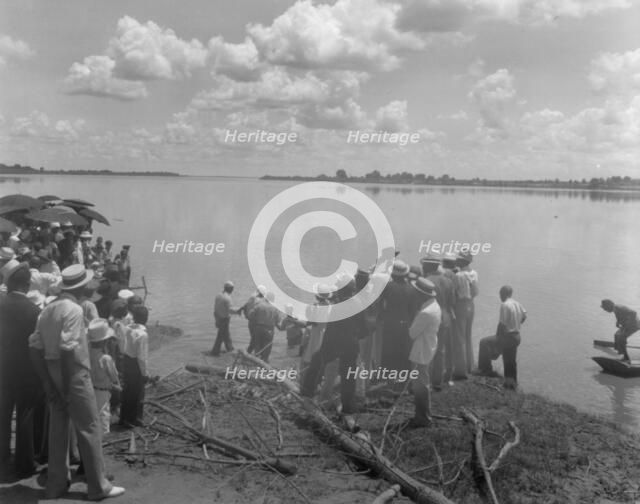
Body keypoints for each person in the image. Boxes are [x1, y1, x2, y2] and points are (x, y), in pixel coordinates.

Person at [28, 264, 124, 500]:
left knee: (58, 429)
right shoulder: (74, 310)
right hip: (73, 372)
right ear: (80, 287)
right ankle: (98, 487)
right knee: (88, 427)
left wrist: (48, 383)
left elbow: (34, 347)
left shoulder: (47, 310)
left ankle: (57, 483)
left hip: (51, 369)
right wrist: (68, 386)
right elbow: (68, 348)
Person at [0, 263, 43, 478]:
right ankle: (24, 464)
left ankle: (2, 456)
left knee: (3, 412)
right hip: (27, 370)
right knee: (25, 414)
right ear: (27, 285)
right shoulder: (35, 311)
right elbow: (38, 344)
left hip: (3, 367)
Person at [301, 276, 366, 414]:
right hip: (351, 344)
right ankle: (348, 407)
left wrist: (325, 347)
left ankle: (307, 393)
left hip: (335, 343)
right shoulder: (359, 303)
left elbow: (331, 328)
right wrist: (354, 337)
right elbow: (364, 328)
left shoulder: (338, 305)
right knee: (348, 376)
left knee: (316, 361)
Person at [476, 286, 527, 389]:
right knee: (510, 360)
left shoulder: (505, 305)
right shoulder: (517, 303)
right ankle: (512, 382)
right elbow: (524, 316)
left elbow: (502, 325)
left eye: (500, 294)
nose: (500, 296)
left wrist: (498, 338)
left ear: (503, 294)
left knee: (484, 342)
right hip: (517, 336)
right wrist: (517, 324)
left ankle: (485, 370)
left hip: (508, 336)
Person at [407, 277, 440, 428]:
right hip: (428, 347)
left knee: (420, 386)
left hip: (421, 350)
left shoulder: (425, 312)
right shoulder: (435, 306)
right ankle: (422, 415)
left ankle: (423, 417)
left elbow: (412, 333)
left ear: (423, 295)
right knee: (422, 383)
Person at [421, 254, 456, 390]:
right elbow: (452, 302)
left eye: (424, 265)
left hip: (430, 317)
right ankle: (437, 381)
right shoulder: (448, 281)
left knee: (427, 348)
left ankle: (426, 380)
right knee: (440, 350)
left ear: (428, 266)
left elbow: (421, 302)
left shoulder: (426, 281)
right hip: (445, 318)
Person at [379, 259, 414, 373]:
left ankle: (389, 378)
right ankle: (404, 377)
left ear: (393, 274)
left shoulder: (388, 287)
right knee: (404, 351)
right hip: (406, 322)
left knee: (389, 351)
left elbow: (380, 304)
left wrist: (382, 316)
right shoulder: (411, 288)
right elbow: (412, 309)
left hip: (390, 323)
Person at [88, 319, 121, 435]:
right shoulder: (106, 359)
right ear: (104, 341)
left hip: (90, 389)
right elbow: (114, 377)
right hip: (102, 392)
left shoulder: (87, 353)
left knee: (93, 417)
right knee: (103, 418)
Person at [119, 305, 149, 427]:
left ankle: (124, 417)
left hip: (127, 361)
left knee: (127, 390)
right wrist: (145, 374)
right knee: (138, 392)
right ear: (146, 318)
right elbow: (142, 358)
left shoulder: (127, 328)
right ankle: (136, 419)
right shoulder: (142, 335)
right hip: (136, 365)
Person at [452, 252, 478, 380]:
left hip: (461, 305)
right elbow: (476, 292)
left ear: (462, 261)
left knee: (460, 336)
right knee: (468, 335)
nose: (456, 260)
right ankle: (470, 366)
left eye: (459, 259)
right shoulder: (474, 273)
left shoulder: (458, 275)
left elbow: (454, 292)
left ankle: (460, 370)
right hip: (471, 304)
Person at [248, 292, 283, 363]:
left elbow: (250, 315)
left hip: (258, 328)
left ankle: (256, 363)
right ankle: (265, 363)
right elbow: (278, 320)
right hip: (269, 330)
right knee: (267, 348)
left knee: (257, 347)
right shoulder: (275, 308)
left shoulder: (259, 305)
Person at [212, 281, 239, 356]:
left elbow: (215, 308)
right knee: (221, 336)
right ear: (231, 289)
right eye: (232, 289)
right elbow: (230, 310)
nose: (233, 290)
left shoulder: (218, 295)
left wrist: (216, 320)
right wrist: (239, 311)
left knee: (225, 336)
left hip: (218, 317)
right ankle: (215, 351)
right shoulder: (227, 298)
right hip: (224, 319)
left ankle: (230, 349)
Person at [239, 285, 265, 354]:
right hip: (256, 324)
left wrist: (246, 316)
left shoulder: (251, 297)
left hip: (251, 322)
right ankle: (251, 356)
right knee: (256, 341)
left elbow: (244, 307)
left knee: (254, 340)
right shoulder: (258, 300)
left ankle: (249, 355)